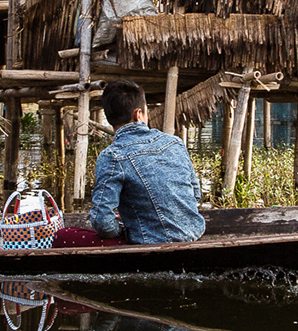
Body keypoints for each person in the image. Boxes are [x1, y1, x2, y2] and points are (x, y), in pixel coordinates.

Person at [55, 79, 205, 247]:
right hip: (195, 232)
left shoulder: (112, 156)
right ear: (138, 114)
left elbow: (102, 221)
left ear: (109, 117)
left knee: (61, 235)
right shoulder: (175, 143)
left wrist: (122, 229)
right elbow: (195, 195)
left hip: (152, 242)